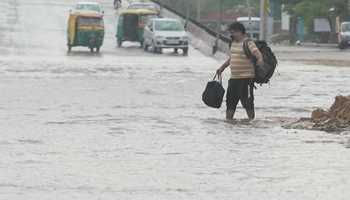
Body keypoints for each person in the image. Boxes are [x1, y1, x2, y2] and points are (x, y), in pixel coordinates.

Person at [216, 22, 264, 120]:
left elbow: (257, 53)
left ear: (240, 32)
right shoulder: (233, 43)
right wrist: (222, 68)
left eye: (233, 32)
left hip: (246, 79)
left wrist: (260, 59)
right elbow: (232, 58)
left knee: (248, 103)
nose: (232, 34)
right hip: (233, 79)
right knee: (230, 102)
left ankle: (251, 122)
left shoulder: (248, 43)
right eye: (231, 32)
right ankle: (229, 122)